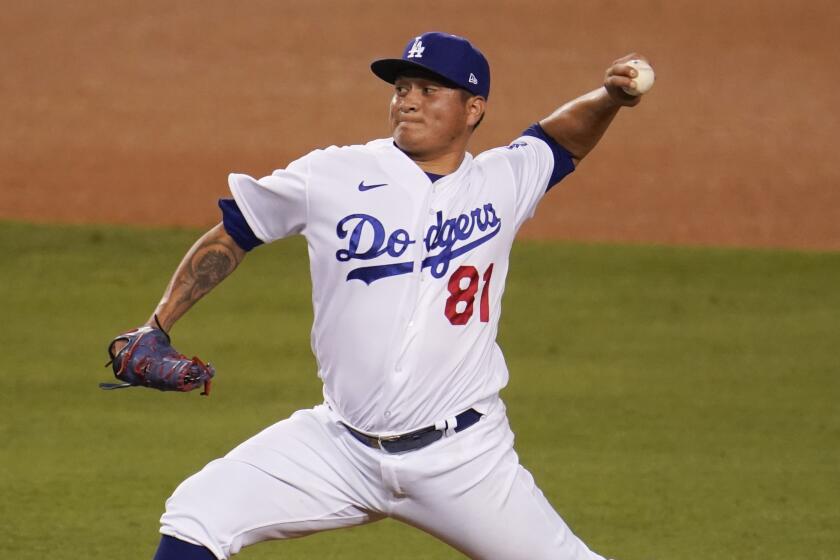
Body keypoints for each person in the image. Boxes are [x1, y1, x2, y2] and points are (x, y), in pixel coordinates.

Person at [119, 31, 651, 560]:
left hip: (464, 459)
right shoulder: (332, 173)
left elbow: (562, 139)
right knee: (197, 515)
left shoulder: (504, 179)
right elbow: (236, 230)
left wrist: (610, 98)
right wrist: (157, 324)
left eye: (429, 89)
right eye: (402, 87)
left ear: (473, 109)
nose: (408, 100)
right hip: (338, 447)